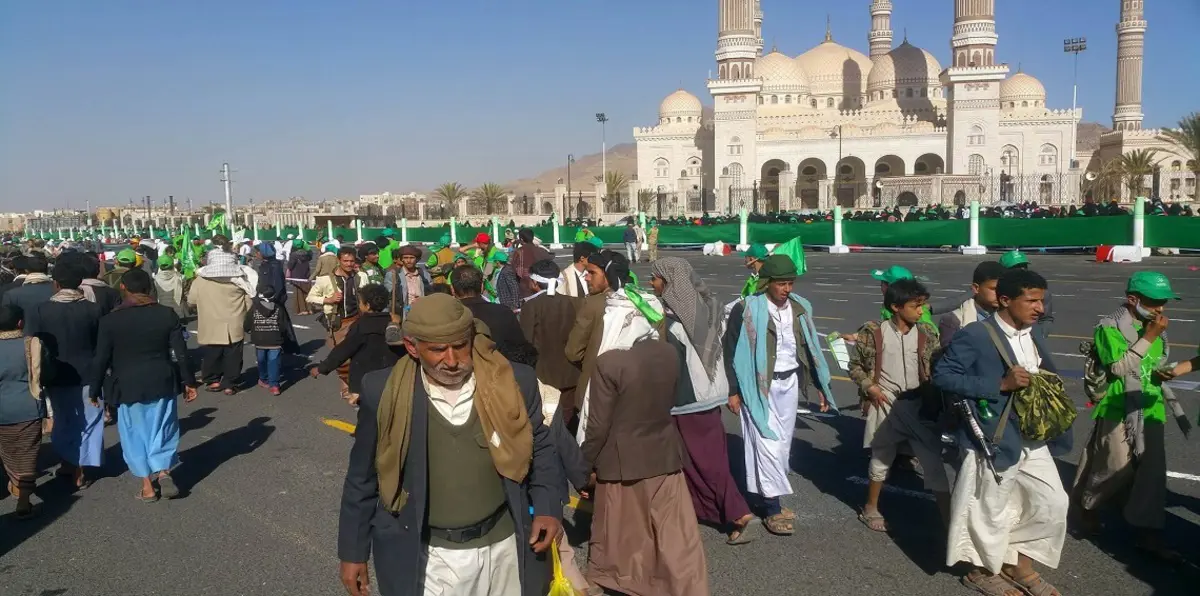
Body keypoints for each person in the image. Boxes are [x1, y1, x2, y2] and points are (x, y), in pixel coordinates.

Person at [336, 293, 561, 596]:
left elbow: (542, 448)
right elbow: (362, 477)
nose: (452, 361)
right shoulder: (383, 391)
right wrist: (353, 551)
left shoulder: (513, 382)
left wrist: (547, 507)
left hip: (505, 547)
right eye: (438, 350)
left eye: (460, 346)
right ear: (412, 347)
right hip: (432, 557)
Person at [933, 269, 1071, 596]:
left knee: (1052, 501)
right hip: (992, 435)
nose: (1040, 308)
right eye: (1032, 301)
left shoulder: (1032, 332)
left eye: (1042, 300)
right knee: (988, 508)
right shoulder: (977, 335)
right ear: (1005, 300)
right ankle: (981, 571)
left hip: (1032, 436)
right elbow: (943, 376)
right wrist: (998, 385)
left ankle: (1017, 565)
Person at [582, 336, 711, 596]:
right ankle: (688, 585)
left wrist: (584, 464)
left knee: (622, 528)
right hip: (664, 450)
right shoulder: (667, 353)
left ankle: (619, 579)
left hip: (621, 458)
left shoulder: (608, 363)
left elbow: (598, 425)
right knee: (674, 530)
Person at [723, 254, 835, 535]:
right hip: (758, 386)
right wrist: (733, 390)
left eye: (791, 283)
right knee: (766, 442)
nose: (787, 289)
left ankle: (766, 496)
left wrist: (821, 385)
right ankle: (773, 509)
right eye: (781, 283)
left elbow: (810, 348)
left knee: (782, 444)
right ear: (767, 283)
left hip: (789, 384)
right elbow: (730, 350)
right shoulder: (747, 309)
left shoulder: (800, 308)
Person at [1072, 271, 1180, 561]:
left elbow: (1153, 360)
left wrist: (1162, 369)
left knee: (1152, 475)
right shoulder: (1109, 327)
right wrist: (1149, 337)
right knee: (1113, 466)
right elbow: (1119, 368)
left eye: (1163, 303)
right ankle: (1087, 505)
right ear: (1133, 299)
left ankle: (1148, 534)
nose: (1160, 309)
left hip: (1151, 407)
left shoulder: (1153, 326)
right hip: (1118, 407)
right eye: (1154, 302)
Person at [649, 257, 755, 545]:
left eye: (656, 278)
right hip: (709, 394)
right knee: (694, 459)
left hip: (690, 398)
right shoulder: (709, 308)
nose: (652, 282)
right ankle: (701, 510)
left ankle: (739, 512)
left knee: (708, 461)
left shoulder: (674, 321)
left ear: (670, 283)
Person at [847, 278, 950, 533]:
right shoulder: (873, 332)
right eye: (916, 306)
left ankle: (950, 520)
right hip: (885, 402)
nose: (921, 311)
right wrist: (869, 387)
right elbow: (855, 366)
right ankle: (871, 507)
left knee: (933, 462)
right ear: (895, 307)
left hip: (918, 405)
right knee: (881, 458)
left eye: (923, 305)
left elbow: (939, 366)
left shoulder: (927, 333)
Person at [90, 268, 197, 502]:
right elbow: (181, 353)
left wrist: (95, 389)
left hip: (127, 383)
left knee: (133, 432)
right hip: (162, 377)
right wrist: (189, 381)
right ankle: (163, 470)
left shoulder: (110, 320)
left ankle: (147, 486)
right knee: (164, 426)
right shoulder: (166, 314)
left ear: (123, 288)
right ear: (150, 288)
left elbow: (101, 358)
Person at [37, 263, 106, 490]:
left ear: (55, 284)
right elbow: (101, 344)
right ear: (79, 283)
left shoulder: (43, 310)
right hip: (89, 373)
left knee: (63, 419)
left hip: (56, 375)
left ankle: (68, 461)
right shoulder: (93, 309)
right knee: (89, 421)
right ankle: (80, 468)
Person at [311, 284, 401, 405]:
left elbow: (343, 350)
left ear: (367, 306)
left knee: (367, 413)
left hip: (365, 380)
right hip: (391, 377)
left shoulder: (361, 326)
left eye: (360, 302)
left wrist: (322, 368)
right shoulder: (394, 323)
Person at [519, 259, 581, 425]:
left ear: (534, 283)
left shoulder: (531, 306)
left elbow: (526, 342)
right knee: (568, 421)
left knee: (547, 423)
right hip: (571, 374)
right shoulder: (574, 303)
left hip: (543, 377)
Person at [0, 305, 46, 519]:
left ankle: (16, 484)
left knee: (7, 454)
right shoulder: (32, 344)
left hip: (2, 411)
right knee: (28, 454)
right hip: (29, 407)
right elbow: (47, 372)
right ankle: (24, 499)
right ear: (20, 323)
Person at [308, 246, 369, 401]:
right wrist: (328, 300)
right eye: (345, 261)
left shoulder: (360, 276)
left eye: (351, 261)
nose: (349, 264)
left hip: (357, 320)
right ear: (339, 260)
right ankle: (345, 387)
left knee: (358, 355)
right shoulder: (326, 279)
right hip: (338, 323)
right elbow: (311, 297)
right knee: (342, 357)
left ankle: (356, 385)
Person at [188, 250, 252, 395]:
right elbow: (249, 301)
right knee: (233, 354)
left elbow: (191, 301)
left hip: (211, 322)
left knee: (212, 353)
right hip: (234, 322)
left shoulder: (201, 280)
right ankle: (230, 383)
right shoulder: (238, 280)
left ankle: (212, 380)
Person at [451, 266, 534, 355]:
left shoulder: (446, 315)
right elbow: (520, 349)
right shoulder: (503, 313)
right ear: (482, 287)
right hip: (501, 365)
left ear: (452, 289)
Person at [937, 260, 1005, 348]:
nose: (1000, 293)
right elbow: (952, 357)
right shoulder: (953, 321)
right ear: (976, 288)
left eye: (1003, 288)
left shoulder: (1013, 316)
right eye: (994, 289)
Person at [999, 250, 1055, 340]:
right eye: (1016, 268)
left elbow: (1046, 319)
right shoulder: (995, 293)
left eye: (1024, 267)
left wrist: (1039, 336)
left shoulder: (1041, 292)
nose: (1022, 270)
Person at [247, 280, 286, 395]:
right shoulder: (279, 308)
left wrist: (248, 329)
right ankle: (274, 385)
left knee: (261, 360)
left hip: (259, 339)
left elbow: (247, 322)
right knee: (274, 362)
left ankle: (263, 379)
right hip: (275, 340)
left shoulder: (254, 307)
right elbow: (283, 325)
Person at [1, 253, 54, 336]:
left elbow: (6, 321)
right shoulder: (57, 291)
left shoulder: (12, 294)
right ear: (46, 270)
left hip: (23, 341)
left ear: (26, 271)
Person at [508, 229, 551, 300]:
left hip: (525, 291)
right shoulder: (541, 250)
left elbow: (516, 272)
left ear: (521, 239)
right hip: (541, 289)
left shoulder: (519, 252)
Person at [153, 254, 188, 318]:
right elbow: (186, 295)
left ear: (159, 266)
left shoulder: (155, 279)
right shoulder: (181, 277)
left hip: (162, 313)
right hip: (179, 314)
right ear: (172, 264)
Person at [286, 240, 314, 315]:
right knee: (307, 291)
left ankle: (302, 310)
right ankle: (310, 309)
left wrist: (288, 272)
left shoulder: (294, 255)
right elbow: (310, 252)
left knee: (299, 293)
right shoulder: (307, 254)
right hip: (306, 274)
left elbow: (290, 265)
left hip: (297, 275)